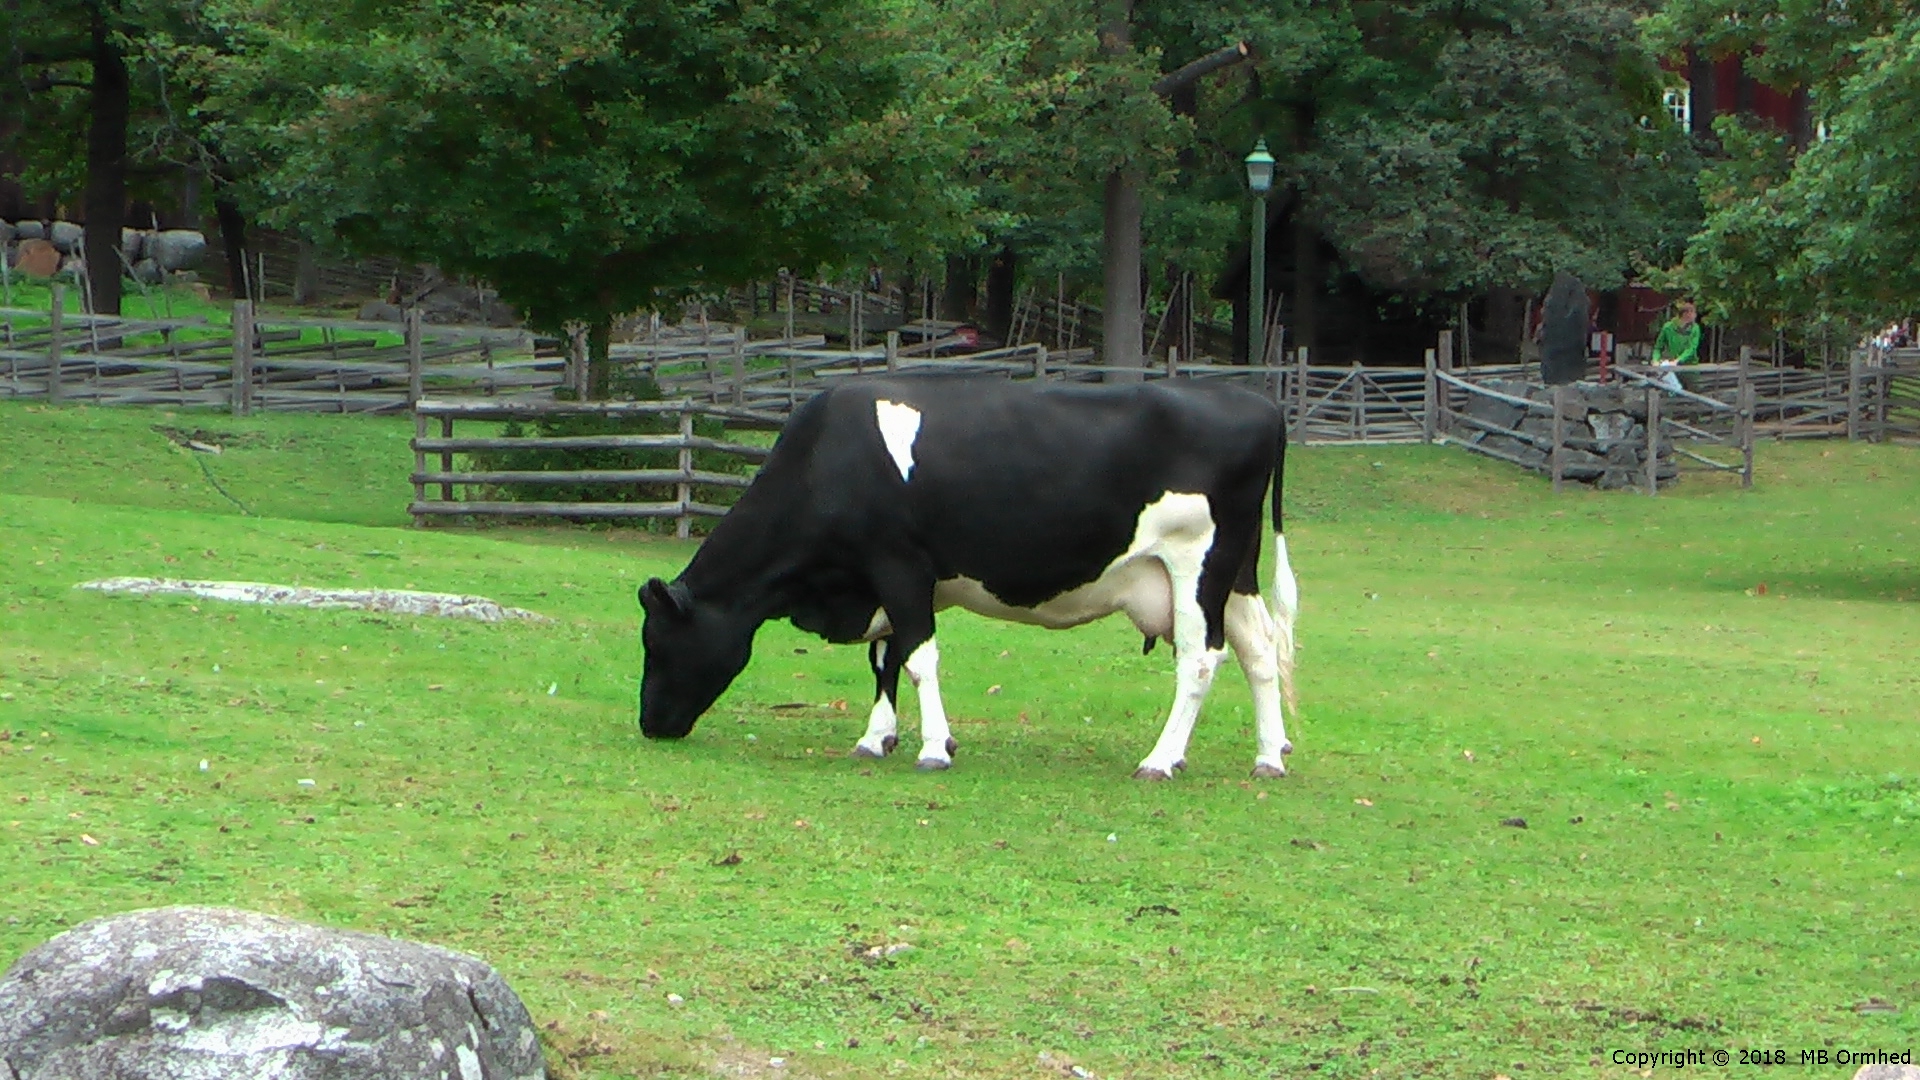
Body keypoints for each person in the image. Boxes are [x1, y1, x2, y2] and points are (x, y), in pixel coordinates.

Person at [1649, 300, 1700, 392]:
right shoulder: (1668, 327)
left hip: (1690, 365)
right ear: (1685, 314)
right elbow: (1658, 347)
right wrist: (1655, 359)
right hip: (1671, 364)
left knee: (1694, 390)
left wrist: (1678, 360)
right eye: (1693, 313)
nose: (1695, 316)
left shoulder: (1695, 328)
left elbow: (1691, 348)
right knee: (1671, 390)